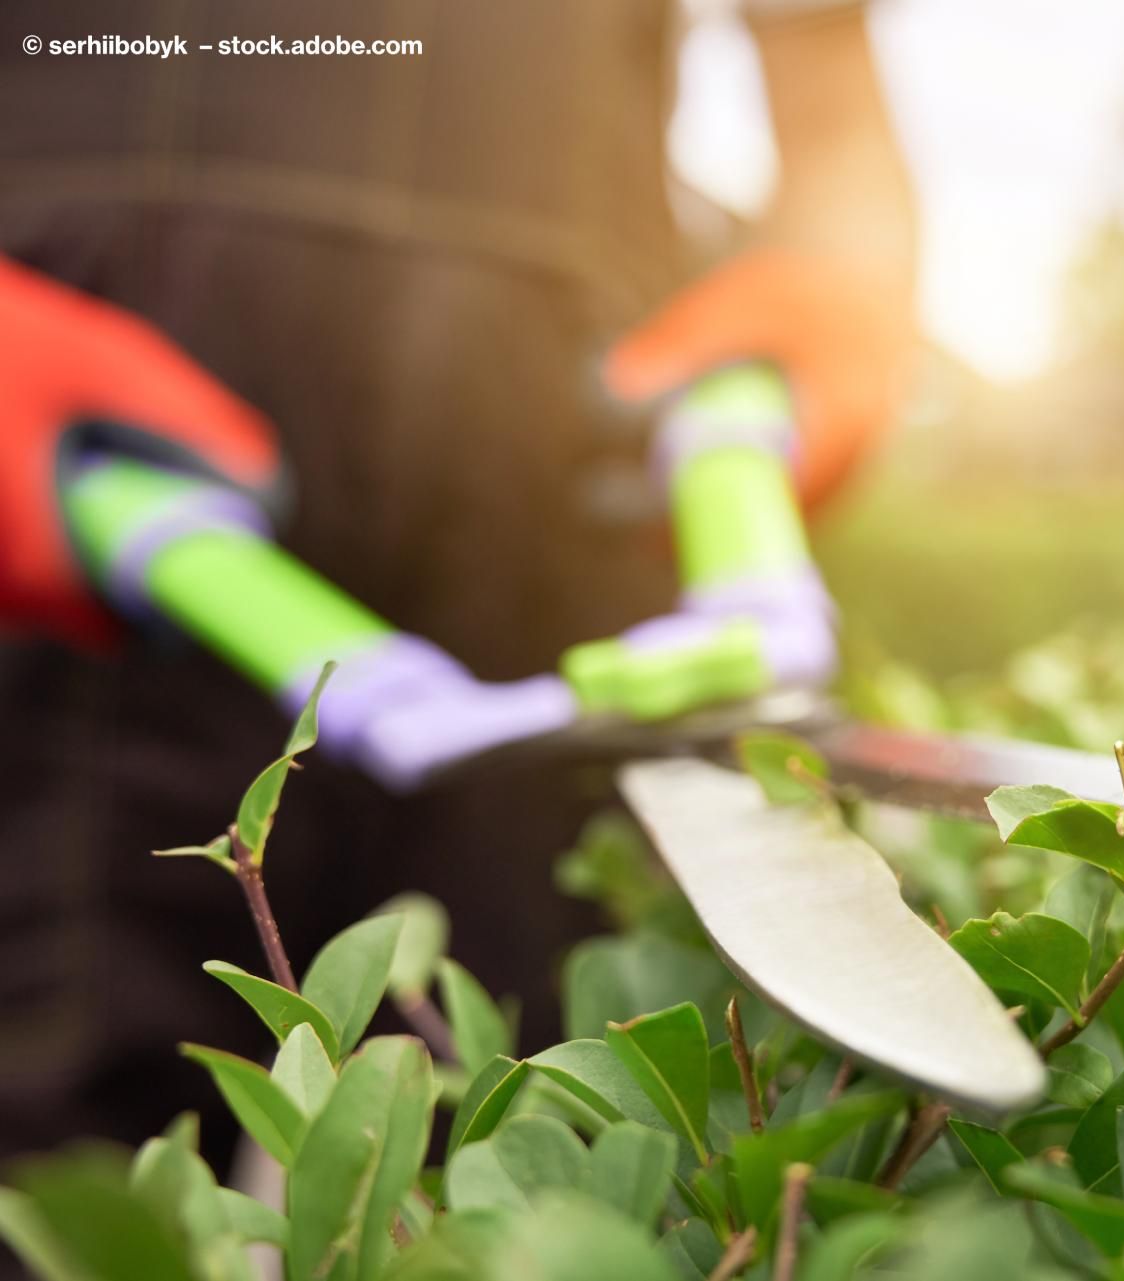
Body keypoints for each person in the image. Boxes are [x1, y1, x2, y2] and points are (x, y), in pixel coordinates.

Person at [0, 0, 916, 1178]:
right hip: (83, 377)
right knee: (51, 1193)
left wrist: (840, 272)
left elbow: (826, 77)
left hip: (565, 453)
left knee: (560, 1163)